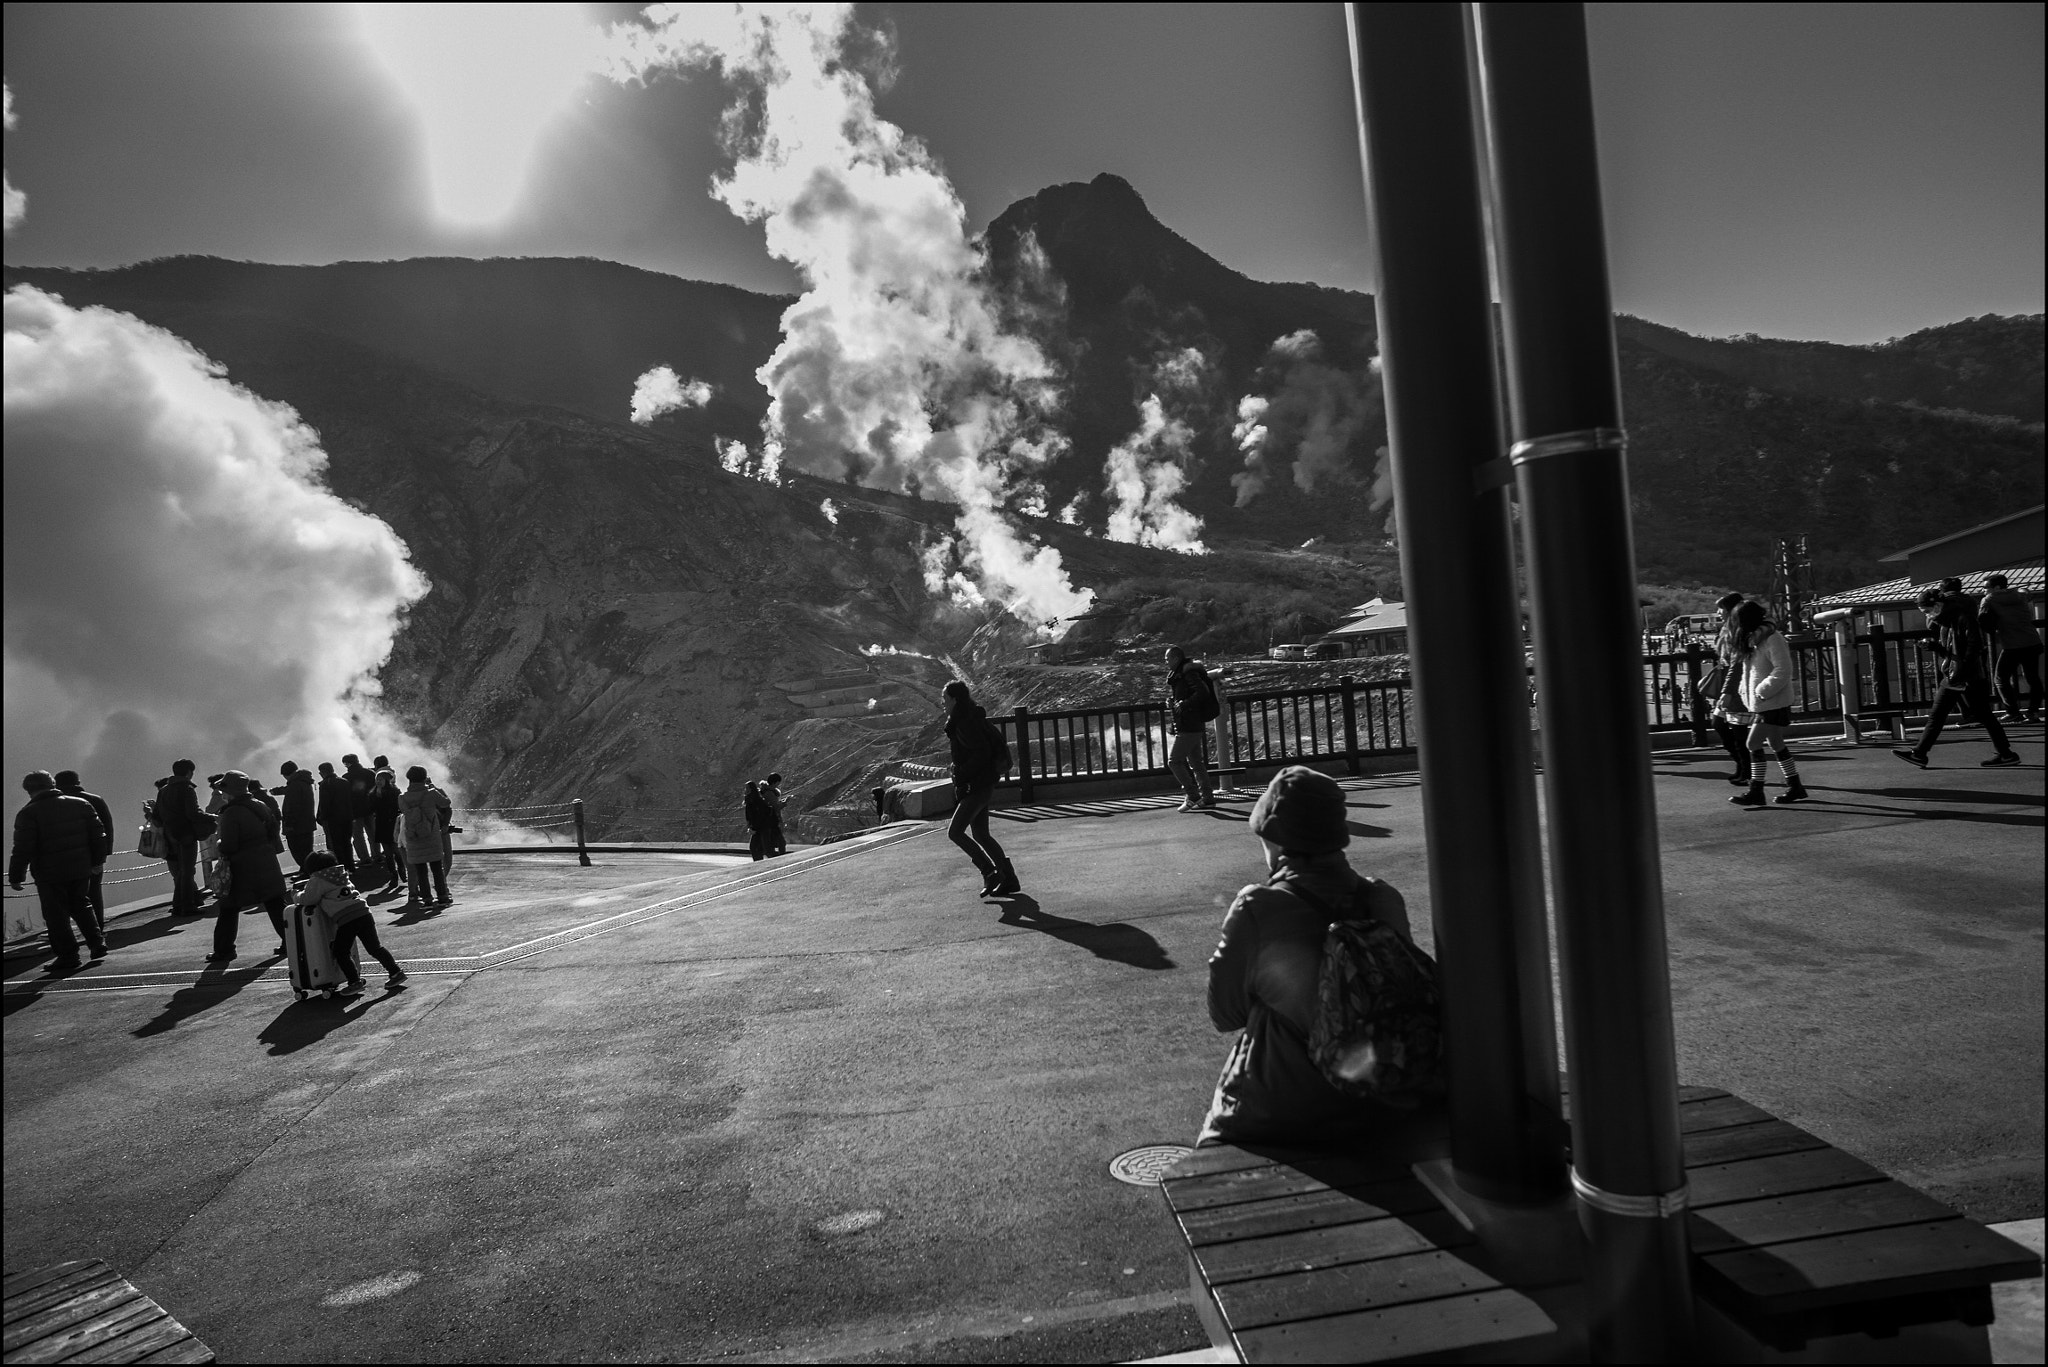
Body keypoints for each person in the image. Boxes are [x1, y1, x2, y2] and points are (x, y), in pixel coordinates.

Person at [1198, 766, 1412, 1146]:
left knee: (1217, 1137)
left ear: (1275, 839)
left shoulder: (1258, 907)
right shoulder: (1384, 900)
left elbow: (1224, 1014)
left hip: (1280, 1114)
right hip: (1379, 1107)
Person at [1895, 586, 2020, 769]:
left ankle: (1920, 753)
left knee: (1939, 716)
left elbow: (1974, 646)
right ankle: (2006, 754)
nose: (1928, 615)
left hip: (1961, 675)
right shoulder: (1952, 619)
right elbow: (1960, 648)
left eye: (1928, 611)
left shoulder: (1961, 619)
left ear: (1938, 605)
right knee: (1983, 715)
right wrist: (1936, 647)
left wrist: (1961, 670)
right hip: (1964, 674)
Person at [9, 770, 110, 971]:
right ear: (52, 783)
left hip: (50, 872)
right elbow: (99, 835)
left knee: (56, 915)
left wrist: (16, 876)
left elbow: (23, 848)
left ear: (29, 790)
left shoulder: (28, 813)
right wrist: (98, 861)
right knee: (82, 904)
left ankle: (68, 956)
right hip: (81, 867)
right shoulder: (80, 804)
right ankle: (97, 943)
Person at [1726, 601, 1810, 807]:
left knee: (1752, 744)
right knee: (1776, 744)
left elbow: (1783, 670)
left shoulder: (1772, 638)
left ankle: (1756, 791)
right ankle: (1795, 787)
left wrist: (1762, 691)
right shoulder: (1756, 639)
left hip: (1772, 701)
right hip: (1766, 702)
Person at [942, 680, 1018, 896]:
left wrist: (960, 772)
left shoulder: (964, 722)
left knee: (955, 832)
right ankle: (1009, 879)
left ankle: (989, 872)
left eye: (945, 699)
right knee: (981, 834)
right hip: (982, 782)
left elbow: (980, 753)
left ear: (955, 700)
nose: (942, 703)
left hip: (977, 784)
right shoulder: (968, 717)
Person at [295, 851, 406, 991]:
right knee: (375, 947)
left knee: (340, 952)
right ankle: (396, 972)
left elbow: (309, 899)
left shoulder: (317, 879)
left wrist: (297, 896)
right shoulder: (340, 874)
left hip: (347, 918)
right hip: (363, 912)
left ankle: (354, 982)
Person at [209, 772, 289, 964]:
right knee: (276, 904)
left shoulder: (231, 813)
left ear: (229, 791)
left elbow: (229, 845)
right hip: (266, 862)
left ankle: (224, 950)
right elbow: (272, 830)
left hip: (242, 867)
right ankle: (292, 940)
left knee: (228, 907)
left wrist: (219, 843)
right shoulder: (259, 805)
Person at [52, 770, 114, 934]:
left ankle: (67, 933)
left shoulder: (54, 804)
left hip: (63, 858)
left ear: (56, 784)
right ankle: (97, 928)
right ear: (78, 781)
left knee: (64, 896)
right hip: (93, 855)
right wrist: (105, 853)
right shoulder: (94, 800)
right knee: (94, 892)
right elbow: (107, 828)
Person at [1703, 592, 1754, 786]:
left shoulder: (1740, 632)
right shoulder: (1727, 629)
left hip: (1736, 687)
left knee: (1737, 731)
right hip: (1728, 685)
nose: (1718, 613)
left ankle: (1746, 770)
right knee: (1719, 723)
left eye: (1721, 609)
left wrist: (1728, 690)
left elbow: (1737, 664)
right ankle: (1742, 766)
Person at [1981, 573, 2042, 724]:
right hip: (2032, 641)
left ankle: (2012, 712)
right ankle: (2033, 712)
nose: (1984, 591)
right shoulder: (2019, 595)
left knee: (2000, 678)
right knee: (2032, 678)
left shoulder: (1989, 599)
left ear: (1996, 587)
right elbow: (2028, 594)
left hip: (2012, 644)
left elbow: (1982, 620)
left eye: (1985, 587)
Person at [1165, 646, 1216, 811]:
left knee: (1174, 761)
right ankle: (1208, 798)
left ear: (1176, 658)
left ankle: (1192, 795)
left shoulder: (1188, 672)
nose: (1166, 662)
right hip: (1192, 723)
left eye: (1167, 659)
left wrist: (1183, 704)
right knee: (1196, 763)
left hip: (1189, 724)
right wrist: (1174, 701)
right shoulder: (1182, 673)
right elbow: (1188, 693)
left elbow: (1202, 692)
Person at [154, 759, 207, 916]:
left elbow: (157, 815)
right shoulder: (187, 789)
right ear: (189, 772)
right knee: (187, 871)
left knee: (179, 871)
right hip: (186, 834)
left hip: (170, 835)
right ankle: (188, 905)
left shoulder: (163, 790)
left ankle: (177, 905)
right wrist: (211, 818)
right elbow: (193, 813)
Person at [398, 765, 454, 907]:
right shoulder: (431, 793)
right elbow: (446, 802)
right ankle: (442, 897)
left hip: (414, 837)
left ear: (409, 779)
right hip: (431, 836)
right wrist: (434, 788)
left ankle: (427, 900)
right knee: (437, 868)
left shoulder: (402, 798)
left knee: (420, 870)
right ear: (424, 778)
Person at [272, 762, 318, 871]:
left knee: (298, 851)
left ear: (286, 774)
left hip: (297, 827)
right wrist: (278, 791)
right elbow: (290, 790)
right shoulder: (303, 782)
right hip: (307, 823)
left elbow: (293, 807)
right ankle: (307, 870)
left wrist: (289, 824)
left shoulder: (294, 785)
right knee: (307, 850)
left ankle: (308, 871)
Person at [370, 768, 405, 893]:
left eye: (380, 780)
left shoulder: (395, 792)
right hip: (381, 824)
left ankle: (402, 869)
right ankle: (393, 875)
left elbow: (398, 806)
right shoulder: (374, 792)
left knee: (396, 849)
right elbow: (371, 807)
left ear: (387, 780)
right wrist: (376, 796)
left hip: (393, 823)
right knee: (388, 853)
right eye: (377, 780)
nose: (378, 782)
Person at [315, 762, 354, 869]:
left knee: (335, 845)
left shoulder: (325, 784)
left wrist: (322, 818)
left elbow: (324, 804)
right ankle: (350, 865)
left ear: (322, 772)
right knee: (347, 842)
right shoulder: (344, 782)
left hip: (333, 819)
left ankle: (340, 867)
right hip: (347, 817)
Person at [342, 754, 377, 865]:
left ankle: (365, 858)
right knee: (373, 833)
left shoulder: (346, 777)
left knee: (358, 836)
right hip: (370, 808)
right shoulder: (370, 773)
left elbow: (346, 796)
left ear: (348, 763)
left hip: (355, 811)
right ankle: (377, 855)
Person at [759, 772, 790, 857]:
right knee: (780, 842)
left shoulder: (766, 791)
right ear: (775, 782)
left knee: (773, 841)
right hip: (772, 820)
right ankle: (780, 858)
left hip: (768, 820)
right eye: (778, 782)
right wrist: (785, 803)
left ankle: (775, 856)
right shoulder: (770, 793)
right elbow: (776, 807)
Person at [744, 781, 770, 861]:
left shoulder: (755, 800)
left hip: (759, 827)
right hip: (757, 827)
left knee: (755, 847)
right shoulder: (751, 799)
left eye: (747, 788)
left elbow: (757, 815)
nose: (745, 790)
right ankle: (758, 862)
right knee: (756, 847)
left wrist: (753, 828)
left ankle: (758, 864)